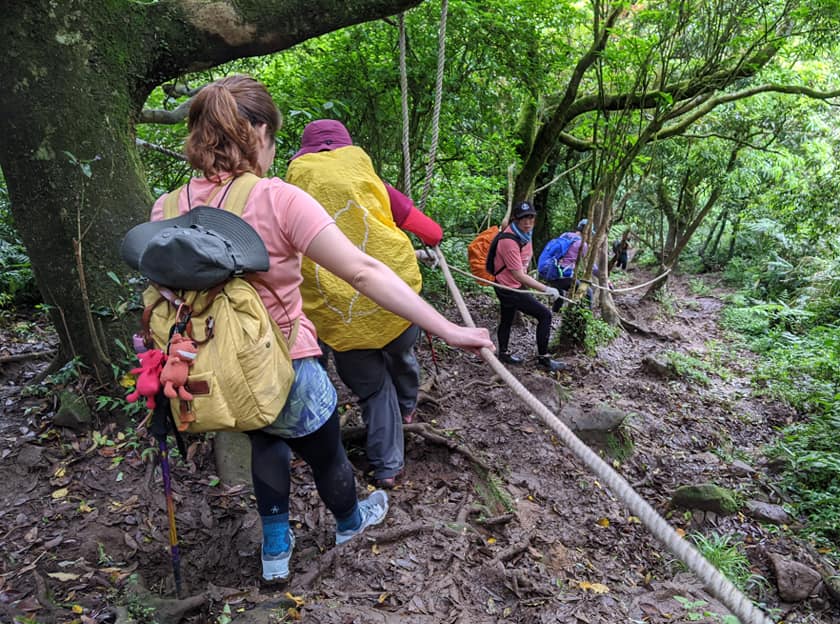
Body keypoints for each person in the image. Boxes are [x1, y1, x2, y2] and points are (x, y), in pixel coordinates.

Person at [147, 76, 493, 583]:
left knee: (265, 441)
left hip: (218, 371)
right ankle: (351, 523)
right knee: (326, 451)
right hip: (286, 363)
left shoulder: (167, 207)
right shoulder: (277, 199)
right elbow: (363, 272)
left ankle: (275, 550)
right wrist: (449, 329)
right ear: (258, 132)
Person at [286, 119, 442, 489]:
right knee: (402, 355)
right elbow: (432, 232)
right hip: (397, 306)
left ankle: (387, 467)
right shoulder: (374, 185)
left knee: (374, 390)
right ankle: (408, 406)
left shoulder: (289, 198)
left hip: (341, 320)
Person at [491, 201, 566, 372]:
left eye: (531, 217)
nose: (528, 222)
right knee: (545, 315)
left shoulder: (524, 234)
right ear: (516, 220)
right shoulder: (509, 241)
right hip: (508, 287)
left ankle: (503, 353)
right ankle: (544, 358)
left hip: (508, 283)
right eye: (523, 218)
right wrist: (546, 289)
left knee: (507, 317)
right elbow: (518, 274)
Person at [539, 218, 593, 312]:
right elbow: (590, 265)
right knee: (588, 292)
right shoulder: (582, 244)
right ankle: (586, 315)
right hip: (560, 275)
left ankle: (554, 314)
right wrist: (603, 277)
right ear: (587, 232)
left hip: (548, 271)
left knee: (559, 296)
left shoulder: (565, 235)